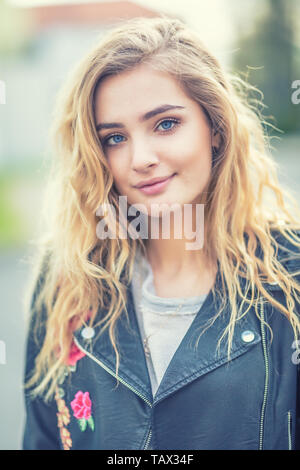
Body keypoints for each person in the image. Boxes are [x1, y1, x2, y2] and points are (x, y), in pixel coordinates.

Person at [22, 16, 300, 450]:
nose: (141, 157)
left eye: (166, 124)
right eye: (114, 137)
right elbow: (42, 437)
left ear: (216, 128)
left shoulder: (291, 273)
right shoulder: (68, 278)